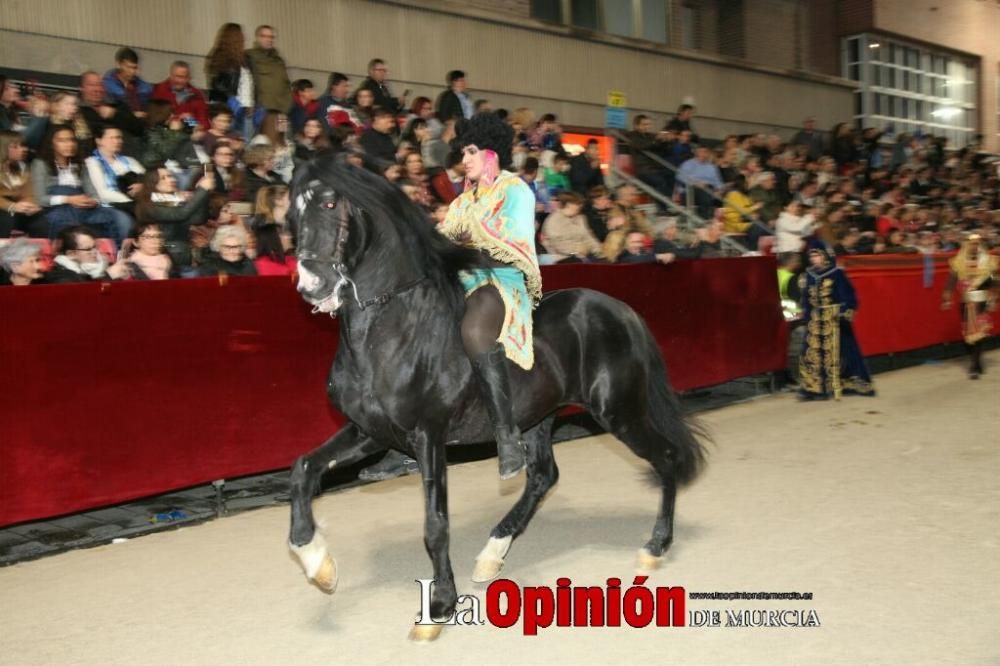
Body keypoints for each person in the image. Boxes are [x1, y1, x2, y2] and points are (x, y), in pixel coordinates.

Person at [438, 112, 540, 479]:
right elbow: (446, 238)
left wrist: (465, 241)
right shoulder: (463, 201)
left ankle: (506, 433)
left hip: (502, 279)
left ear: (491, 154)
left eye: (470, 152)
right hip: (463, 277)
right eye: (462, 153)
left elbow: (507, 242)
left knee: (475, 331)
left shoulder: (514, 190)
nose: (464, 160)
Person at [798, 246, 875, 400]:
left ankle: (847, 383)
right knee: (813, 353)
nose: (814, 259)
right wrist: (806, 313)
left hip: (835, 319)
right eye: (812, 256)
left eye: (817, 256)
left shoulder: (837, 273)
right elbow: (806, 298)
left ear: (825, 256)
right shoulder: (809, 275)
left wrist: (844, 311)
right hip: (815, 321)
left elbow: (849, 296)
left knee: (844, 351)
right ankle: (815, 388)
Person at [31, 126, 118, 242]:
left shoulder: (81, 165)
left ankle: (112, 252)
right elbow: (40, 199)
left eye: (71, 140)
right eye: (62, 141)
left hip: (83, 207)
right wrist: (68, 199)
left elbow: (93, 194)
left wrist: (92, 201)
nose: (69, 144)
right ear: (51, 144)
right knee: (62, 201)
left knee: (113, 216)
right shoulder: (40, 164)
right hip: (55, 208)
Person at [941, 234, 998, 379]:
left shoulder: (988, 261)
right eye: (971, 244)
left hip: (981, 302)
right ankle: (975, 361)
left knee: (979, 333)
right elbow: (951, 281)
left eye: (977, 244)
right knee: (968, 334)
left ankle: (975, 364)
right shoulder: (959, 261)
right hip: (965, 303)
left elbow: (994, 282)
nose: (974, 246)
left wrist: (994, 298)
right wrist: (946, 298)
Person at [134, 166, 213, 269]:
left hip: (182, 251)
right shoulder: (149, 205)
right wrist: (202, 190)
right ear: (152, 183)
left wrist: (203, 194)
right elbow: (180, 214)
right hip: (164, 253)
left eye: (171, 176)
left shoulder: (175, 201)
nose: (172, 180)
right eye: (164, 178)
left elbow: (199, 219)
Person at [84, 125, 145, 238]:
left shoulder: (129, 161)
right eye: (112, 138)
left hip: (136, 202)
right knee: (125, 221)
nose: (117, 141)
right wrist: (130, 203)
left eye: (119, 138)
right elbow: (103, 193)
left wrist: (143, 186)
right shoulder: (92, 162)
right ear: (98, 140)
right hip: (108, 205)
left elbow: (149, 180)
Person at [205, 23, 254, 138]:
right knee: (230, 137)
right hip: (231, 105)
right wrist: (231, 100)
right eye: (241, 35)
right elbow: (217, 85)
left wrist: (251, 103)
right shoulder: (219, 57)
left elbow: (250, 84)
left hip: (245, 107)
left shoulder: (245, 59)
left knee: (244, 141)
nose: (244, 37)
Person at [44, 224, 130, 283]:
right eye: (88, 249)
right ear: (71, 254)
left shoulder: (105, 264)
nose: (95, 252)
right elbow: (84, 297)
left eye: (95, 247)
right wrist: (108, 276)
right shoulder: (60, 276)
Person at [0, 131, 46, 237]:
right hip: (3, 210)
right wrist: (11, 206)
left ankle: (39, 250)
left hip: (16, 210)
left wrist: (28, 205)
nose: (23, 149)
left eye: (23, 145)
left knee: (40, 218)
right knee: (4, 218)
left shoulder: (23, 167)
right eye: (15, 146)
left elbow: (29, 192)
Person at [246, 25, 292, 121]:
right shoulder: (249, 56)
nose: (268, 39)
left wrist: (286, 107)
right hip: (259, 111)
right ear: (257, 37)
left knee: (280, 136)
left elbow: (286, 85)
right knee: (258, 136)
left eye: (271, 37)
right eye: (264, 36)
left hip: (280, 112)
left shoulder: (279, 61)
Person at [540, 191, 602, 262]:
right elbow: (558, 245)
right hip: (562, 257)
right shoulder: (553, 220)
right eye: (577, 203)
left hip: (584, 253)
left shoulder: (580, 218)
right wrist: (577, 250)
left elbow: (588, 236)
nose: (580, 206)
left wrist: (598, 251)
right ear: (568, 204)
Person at [150, 61, 210, 129]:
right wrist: (169, 119)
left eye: (184, 77)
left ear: (189, 78)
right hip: (162, 133)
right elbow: (152, 120)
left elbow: (204, 126)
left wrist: (190, 120)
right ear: (171, 75)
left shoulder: (197, 95)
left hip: (188, 136)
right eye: (178, 76)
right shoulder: (159, 90)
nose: (180, 81)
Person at [102, 47, 152, 114]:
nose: (132, 71)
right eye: (128, 67)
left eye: (134, 68)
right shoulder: (108, 85)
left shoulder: (144, 87)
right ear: (118, 65)